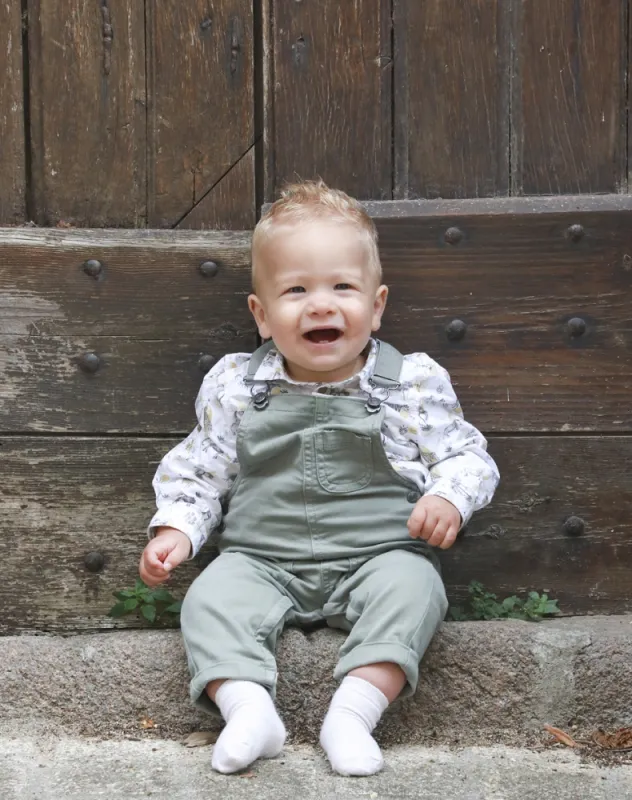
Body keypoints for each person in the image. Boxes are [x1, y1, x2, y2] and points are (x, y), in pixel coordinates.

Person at [139, 180, 499, 777]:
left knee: (417, 589)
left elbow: (468, 458)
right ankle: (249, 709)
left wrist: (448, 497)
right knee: (207, 600)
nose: (321, 305)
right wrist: (176, 529)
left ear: (377, 305)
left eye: (342, 287)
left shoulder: (407, 383)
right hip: (261, 559)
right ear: (260, 314)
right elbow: (199, 470)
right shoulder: (237, 385)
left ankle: (353, 712)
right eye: (296, 290)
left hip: (378, 556)